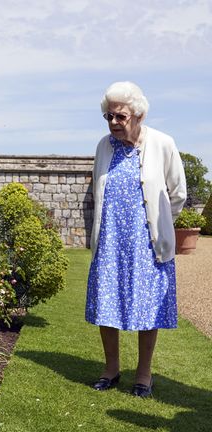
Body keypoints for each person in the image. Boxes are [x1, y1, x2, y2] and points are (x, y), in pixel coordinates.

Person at [85, 81, 187, 397]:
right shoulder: (103, 147)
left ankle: (144, 375)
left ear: (138, 115)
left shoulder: (163, 144)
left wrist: (158, 226)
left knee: (148, 309)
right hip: (110, 242)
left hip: (147, 245)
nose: (114, 122)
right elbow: (98, 193)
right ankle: (111, 369)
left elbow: (178, 193)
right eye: (109, 117)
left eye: (120, 116)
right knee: (106, 305)